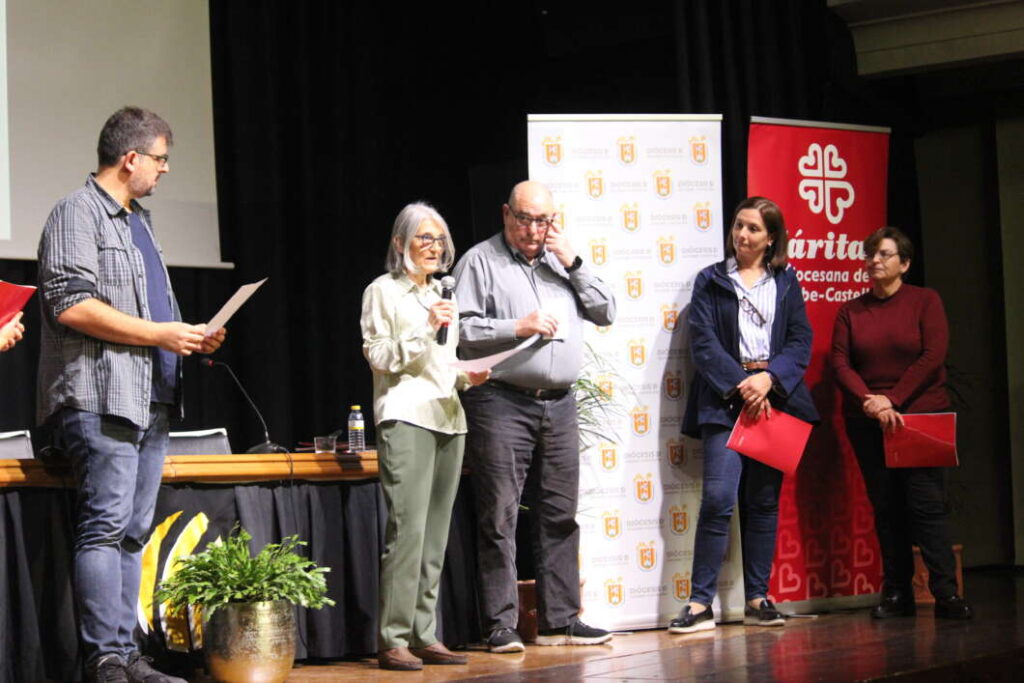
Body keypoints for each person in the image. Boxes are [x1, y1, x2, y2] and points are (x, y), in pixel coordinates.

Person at [36, 106, 226, 683]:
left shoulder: (138, 221)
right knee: (105, 527)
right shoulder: (77, 212)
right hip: (102, 397)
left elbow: (149, 311)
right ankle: (105, 661)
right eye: (160, 159)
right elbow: (71, 304)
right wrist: (160, 334)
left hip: (152, 398)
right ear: (130, 158)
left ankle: (127, 654)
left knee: (135, 532)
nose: (165, 169)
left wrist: (189, 336)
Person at [453, 180, 616, 652]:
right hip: (501, 400)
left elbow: (606, 311)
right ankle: (500, 625)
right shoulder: (480, 261)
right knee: (499, 516)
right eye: (524, 219)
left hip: (560, 403)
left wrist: (574, 262)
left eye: (542, 221)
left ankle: (560, 621)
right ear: (507, 214)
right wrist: (516, 326)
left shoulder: (562, 262)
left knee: (560, 513)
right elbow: (459, 331)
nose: (532, 230)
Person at [670, 197, 818, 634]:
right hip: (726, 400)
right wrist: (743, 384)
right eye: (738, 226)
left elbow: (800, 340)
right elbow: (703, 343)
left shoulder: (786, 281)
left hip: (774, 398)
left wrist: (769, 380)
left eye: (753, 228)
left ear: (771, 238)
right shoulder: (711, 279)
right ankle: (700, 604)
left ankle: (757, 598)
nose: (742, 235)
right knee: (718, 499)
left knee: (763, 502)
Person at [361, 202, 490, 671]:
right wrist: (426, 325)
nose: (435, 248)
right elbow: (380, 357)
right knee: (408, 532)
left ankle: (424, 633)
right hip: (406, 416)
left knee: (435, 536)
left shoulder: (442, 293)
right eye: (424, 238)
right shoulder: (383, 292)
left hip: (449, 417)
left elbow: (442, 364)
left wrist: (468, 376)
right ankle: (393, 637)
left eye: (440, 239)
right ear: (400, 243)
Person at [830, 226, 971, 620]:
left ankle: (946, 593)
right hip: (868, 421)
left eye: (884, 254)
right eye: (870, 254)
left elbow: (933, 355)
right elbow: (840, 362)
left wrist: (892, 398)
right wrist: (871, 402)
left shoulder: (925, 301)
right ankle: (897, 594)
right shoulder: (851, 311)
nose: (874, 260)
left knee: (926, 507)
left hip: (920, 416)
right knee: (887, 508)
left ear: (904, 264)